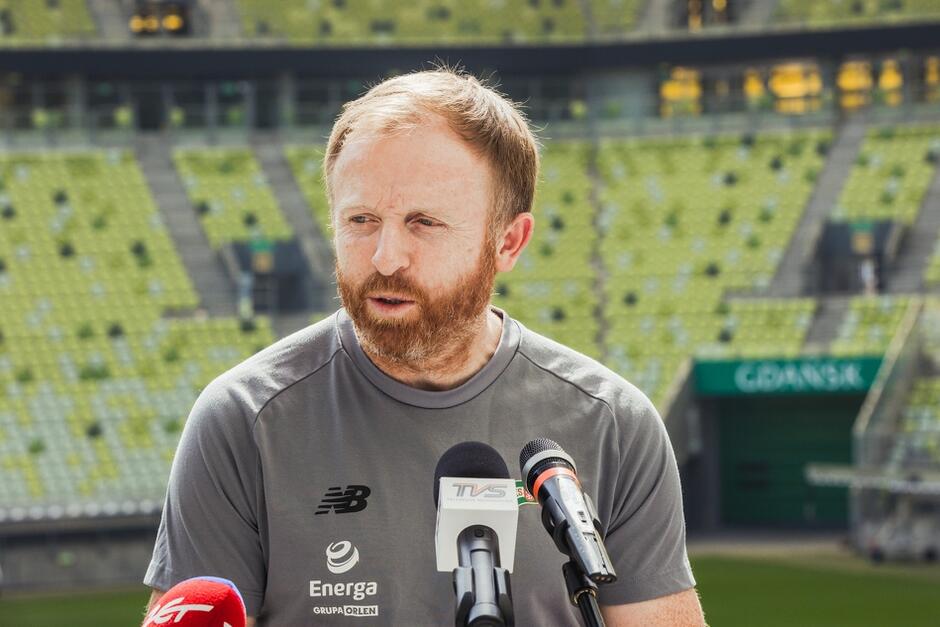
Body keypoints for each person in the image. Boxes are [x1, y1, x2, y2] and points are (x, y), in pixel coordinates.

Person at [142, 67, 705, 626]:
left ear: (508, 241)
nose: (386, 257)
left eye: (425, 223)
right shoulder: (242, 421)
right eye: (361, 219)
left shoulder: (614, 424)